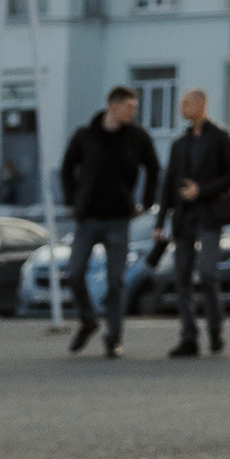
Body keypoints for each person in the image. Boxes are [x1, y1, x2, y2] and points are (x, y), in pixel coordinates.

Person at [59, 86, 161, 356]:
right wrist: (72, 200)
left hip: (119, 219)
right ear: (112, 107)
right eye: (129, 108)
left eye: (134, 108)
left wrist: (146, 202)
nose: (133, 113)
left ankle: (114, 337)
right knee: (74, 273)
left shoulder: (137, 137)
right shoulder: (85, 136)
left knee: (116, 281)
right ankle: (88, 320)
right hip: (88, 218)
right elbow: (67, 167)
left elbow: (153, 168)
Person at [159, 90, 230, 355]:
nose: (182, 108)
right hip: (183, 217)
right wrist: (160, 221)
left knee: (207, 272)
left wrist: (201, 190)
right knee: (181, 276)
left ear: (201, 104)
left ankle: (216, 330)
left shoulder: (220, 137)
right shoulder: (180, 143)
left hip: (210, 215)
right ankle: (189, 336)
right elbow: (169, 183)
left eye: (186, 103)